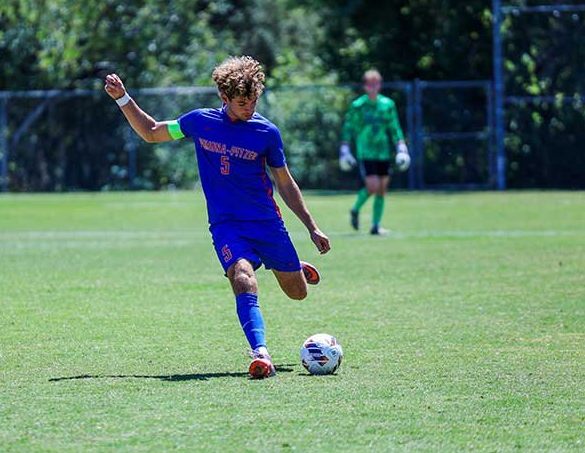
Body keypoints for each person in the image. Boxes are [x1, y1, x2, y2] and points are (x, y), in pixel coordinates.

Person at [104, 56, 331, 379]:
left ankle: (294, 267)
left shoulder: (266, 132)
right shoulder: (201, 122)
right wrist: (123, 99)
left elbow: (285, 182)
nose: (249, 108)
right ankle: (260, 353)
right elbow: (152, 132)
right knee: (241, 276)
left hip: (266, 224)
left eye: (253, 101)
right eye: (241, 102)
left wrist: (311, 226)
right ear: (224, 98)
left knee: (297, 293)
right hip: (227, 226)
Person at [339, 69, 410, 235]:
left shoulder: (387, 105)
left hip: (383, 151)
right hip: (366, 152)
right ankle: (355, 209)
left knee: (382, 189)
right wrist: (345, 147)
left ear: (380, 85)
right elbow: (348, 127)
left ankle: (376, 226)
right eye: (369, 84)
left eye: (376, 83)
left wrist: (401, 145)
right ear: (365, 86)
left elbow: (394, 127)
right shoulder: (358, 106)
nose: (373, 87)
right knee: (372, 186)